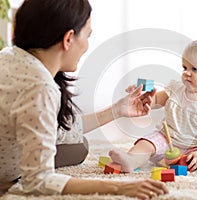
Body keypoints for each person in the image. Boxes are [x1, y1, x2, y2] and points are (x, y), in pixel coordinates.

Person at [0, 0, 168, 199]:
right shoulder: (39, 87)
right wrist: (120, 188)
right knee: (78, 149)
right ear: (69, 38)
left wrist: (117, 110)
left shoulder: (9, 57)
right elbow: (38, 181)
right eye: (88, 35)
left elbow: (57, 128)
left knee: (80, 146)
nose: (87, 45)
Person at [109, 38, 197, 173]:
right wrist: (146, 100)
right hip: (167, 139)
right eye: (185, 67)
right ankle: (131, 160)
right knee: (146, 145)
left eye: (195, 69)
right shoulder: (176, 89)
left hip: (196, 148)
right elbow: (157, 99)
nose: (187, 73)